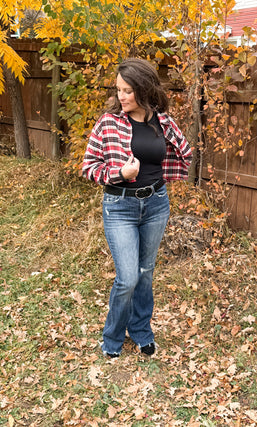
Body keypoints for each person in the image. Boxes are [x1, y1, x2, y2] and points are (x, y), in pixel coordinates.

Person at [82, 58, 192, 358]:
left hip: (156, 204)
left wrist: (169, 147)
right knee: (127, 277)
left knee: (145, 273)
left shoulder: (164, 122)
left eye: (128, 91)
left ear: (144, 90)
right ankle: (113, 337)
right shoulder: (108, 122)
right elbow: (89, 167)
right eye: (119, 90)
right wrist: (120, 174)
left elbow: (185, 153)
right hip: (119, 206)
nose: (121, 96)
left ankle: (141, 330)